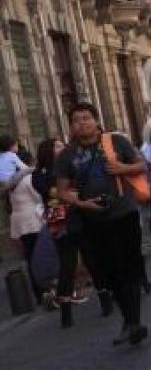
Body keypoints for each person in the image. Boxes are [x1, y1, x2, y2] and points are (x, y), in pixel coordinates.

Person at [55, 103, 148, 345]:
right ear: (71, 126)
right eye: (76, 119)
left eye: (86, 118)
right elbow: (63, 191)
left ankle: (134, 321)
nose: (82, 123)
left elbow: (141, 165)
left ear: (96, 121)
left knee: (130, 267)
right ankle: (129, 320)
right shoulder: (66, 155)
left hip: (124, 213)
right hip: (92, 220)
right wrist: (84, 204)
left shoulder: (115, 141)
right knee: (109, 273)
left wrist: (122, 168)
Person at [34, 138, 112, 327]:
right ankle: (66, 313)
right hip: (60, 222)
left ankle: (105, 300)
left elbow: (80, 188)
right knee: (67, 265)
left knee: (91, 258)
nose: (63, 148)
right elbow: (52, 192)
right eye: (58, 146)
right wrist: (71, 193)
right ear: (48, 151)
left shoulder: (71, 165)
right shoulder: (40, 174)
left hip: (80, 216)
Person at [8, 149, 45, 304]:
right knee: (40, 256)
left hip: (20, 223)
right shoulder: (28, 177)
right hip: (33, 222)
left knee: (30, 258)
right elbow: (37, 196)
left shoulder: (12, 181)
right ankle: (45, 290)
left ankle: (38, 294)